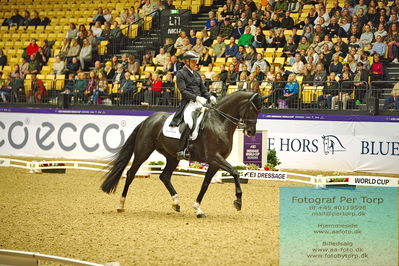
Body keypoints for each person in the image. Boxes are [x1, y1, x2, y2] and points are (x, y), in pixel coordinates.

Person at [169, 51, 216, 160]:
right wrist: (196, 97)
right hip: (189, 104)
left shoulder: (197, 74)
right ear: (187, 61)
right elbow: (183, 91)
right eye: (193, 61)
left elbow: (203, 90)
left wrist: (210, 96)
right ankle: (181, 150)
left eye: (196, 61)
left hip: (201, 103)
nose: (196, 63)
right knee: (189, 124)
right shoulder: (180, 74)